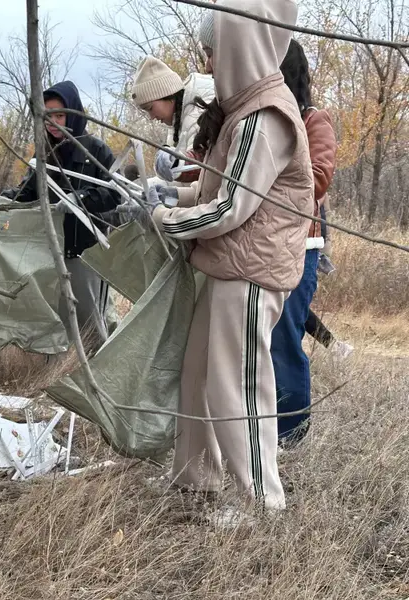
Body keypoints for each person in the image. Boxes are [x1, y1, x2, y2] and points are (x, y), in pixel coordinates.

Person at [144, 0, 314, 513]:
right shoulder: (243, 112)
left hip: (250, 272)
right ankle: (196, 477)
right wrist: (175, 194)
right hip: (227, 265)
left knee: (238, 389)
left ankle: (262, 503)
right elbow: (219, 190)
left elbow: (231, 208)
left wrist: (165, 218)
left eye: (212, 49)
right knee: (199, 375)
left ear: (238, 45)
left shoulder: (264, 118)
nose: (208, 62)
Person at [5, 81, 121, 351]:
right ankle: (61, 368)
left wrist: (81, 199)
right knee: (57, 319)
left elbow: (115, 194)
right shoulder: (44, 152)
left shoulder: (96, 150)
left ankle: (97, 366)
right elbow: (29, 191)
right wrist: (6, 199)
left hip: (86, 251)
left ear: (73, 113)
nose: (53, 123)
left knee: (90, 320)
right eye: (48, 116)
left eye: (60, 115)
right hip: (51, 251)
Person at [270, 39, 337, 443]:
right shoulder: (265, 118)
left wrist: (262, 176)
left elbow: (318, 179)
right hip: (262, 245)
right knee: (262, 341)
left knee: (284, 340)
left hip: (300, 246)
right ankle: (263, 430)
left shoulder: (314, 120)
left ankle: (291, 437)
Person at [130, 56, 215, 184]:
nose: (151, 117)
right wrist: (145, 186)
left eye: (150, 108)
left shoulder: (198, 112)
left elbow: (202, 169)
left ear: (166, 93)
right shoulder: (177, 116)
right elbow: (175, 179)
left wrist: (175, 164)